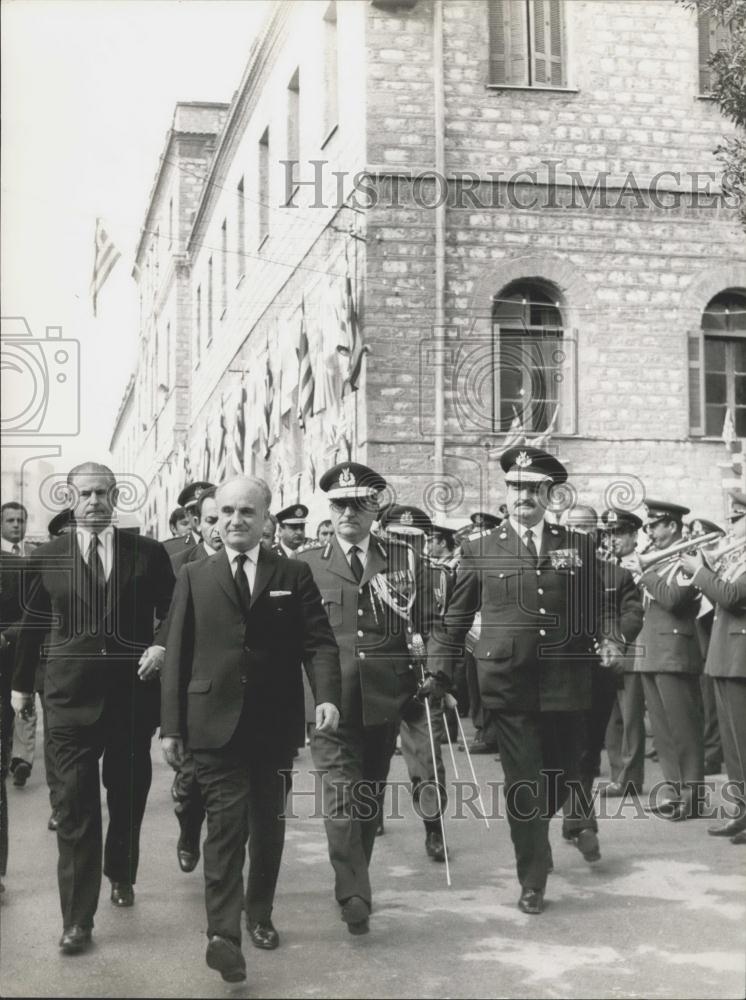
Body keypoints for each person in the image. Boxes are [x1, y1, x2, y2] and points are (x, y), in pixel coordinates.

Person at [160, 476, 340, 984]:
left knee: (267, 826)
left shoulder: (294, 572)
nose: (234, 521)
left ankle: (258, 913)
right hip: (211, 723)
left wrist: (325, 696)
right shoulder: (195, 575)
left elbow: (319, 643)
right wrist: (171, 726)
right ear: (213, 518)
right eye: (225, 513)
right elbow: (177, 652)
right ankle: (223, 936)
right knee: (225, 828)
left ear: (266, 520)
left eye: (246, 512)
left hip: (273, 723)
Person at [429, 446, 605, 916]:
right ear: (506, 492)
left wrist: (609, 641)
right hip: (508, 683)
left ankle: (539, 838)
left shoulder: (579, 546)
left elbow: (596, 611)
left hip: (567, 681)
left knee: (560, 777)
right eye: (515, 487)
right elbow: (454, 619)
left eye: (532, 488)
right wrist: (439, 673)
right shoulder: (480, 548)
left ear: (550, 493)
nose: (523, 496)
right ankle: (532, 876)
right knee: (523, 783)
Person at [11, 462, 175, 954]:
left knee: (127, 799)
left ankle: (121, 872)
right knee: (76, 809)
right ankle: (77, 920)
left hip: (131, 699)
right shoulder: (49, 555)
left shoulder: (146, 553)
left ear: (116, 496)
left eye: (104, 493)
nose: (95, 502)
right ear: (70, 497)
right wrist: (21, 687)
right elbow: (32, 625)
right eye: (85, 494)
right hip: (68, 701)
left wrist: (162, 645)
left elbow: (174, 611)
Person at [297, 462, 429, 935]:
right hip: (328, 700)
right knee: (339, 796)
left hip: (382, 696)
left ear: (376, 508)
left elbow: (425, 623)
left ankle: (358, 874)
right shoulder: (307, 563)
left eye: (358, 504)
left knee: (369, 796)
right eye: (339, 505)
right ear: (329, 510)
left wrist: (429, 673)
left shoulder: (403, 559)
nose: (347, 512)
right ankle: (353, 891)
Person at [378, 504, 447, 864]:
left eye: (412, 539)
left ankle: (433, 827)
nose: (404, 545)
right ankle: (371, 809)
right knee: (372, 753)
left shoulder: (433, 576)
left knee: (427, 756)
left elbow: (439, 627)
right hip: (375, 677)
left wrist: (436, 671)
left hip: (418, 678)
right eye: (396, 537)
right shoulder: (369, 571)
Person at [680, 489, 746, 844]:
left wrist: (700, 572)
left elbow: (734, 597)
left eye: (738, 519)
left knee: (744, 743)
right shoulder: (737, 556)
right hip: (725, 656)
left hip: (741, 659)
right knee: (734, 747)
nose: (732, 526)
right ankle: (741, 811)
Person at [632, 499, 704, 821]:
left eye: (654, 525)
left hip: (675, 651)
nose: (649, 531)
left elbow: (675, 599)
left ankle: (692, 797)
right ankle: (674, 792)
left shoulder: (689, 558)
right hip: (652, 651)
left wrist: (644, 574)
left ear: (672, 525)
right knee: (662, 732)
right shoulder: (658, 561)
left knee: (683, 729)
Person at [165, 487, 222, 873]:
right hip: (193, 693)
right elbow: (168, 628)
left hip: (237, 692)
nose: (219, 528)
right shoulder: (179, 565)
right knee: (190, 784)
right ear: (196, 523)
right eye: (210, 520)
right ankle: (189, 831)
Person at [599, 508, 648, 797]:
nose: (613, 540)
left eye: (619, 533)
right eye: (609, 534)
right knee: (611, 717)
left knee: (630, 717)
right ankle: (618, 773)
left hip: (632, 645)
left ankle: (630, 777)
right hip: (607, 646)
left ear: (633, 535)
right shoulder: (606, 566)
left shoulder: (641, 565)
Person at [688, 517, 727, 776]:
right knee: (705, 700)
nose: (696, 540)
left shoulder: (719, 563)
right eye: (693, 534)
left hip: (716, 637)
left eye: (702, 536)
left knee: (713, 703)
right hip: (700, 639)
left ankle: (712, 755)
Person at [162, 482, 213, 558]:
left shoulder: (229, 544)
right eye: (195, 511)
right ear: (187, 514)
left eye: (206, 509)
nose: (200, 515)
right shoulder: (170, 549)